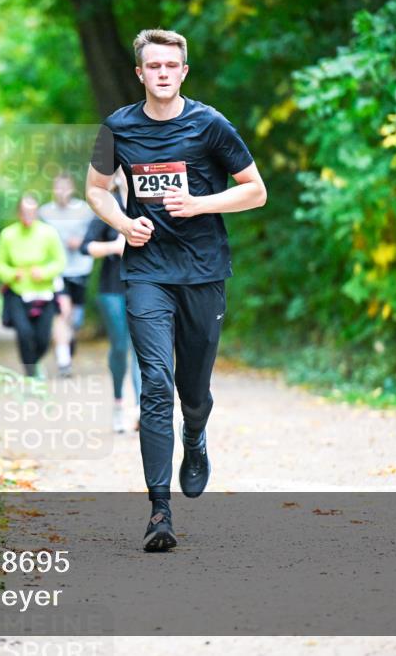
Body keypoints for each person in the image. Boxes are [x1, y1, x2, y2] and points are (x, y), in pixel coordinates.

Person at [85, 28, 267, 552]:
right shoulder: (116, 127)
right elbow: (96, 190)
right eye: (153, 66)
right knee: (156, 386)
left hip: (204, 271)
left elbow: (255, 191)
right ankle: (159, 511)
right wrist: (122, 223)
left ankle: (196, 436)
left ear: (183, 72)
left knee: (194, 390)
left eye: (171, 66)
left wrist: (201, 204)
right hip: (146, 272)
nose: (162, 73)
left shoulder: (210, 125)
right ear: (139, 73)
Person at [80, 170, 142, 433]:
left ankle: (142, 409)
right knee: (120, 346)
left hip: (144, 285)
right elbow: (86, 246)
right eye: (119, 170)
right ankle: (118, 403)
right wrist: (114, 248)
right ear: (115, 178)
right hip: (112, 288)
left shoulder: (148, 202)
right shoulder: (107, 205)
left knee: (142, 348)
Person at [0, 195, 67, 377]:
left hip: (44, 293)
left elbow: (59, 262)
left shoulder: (48, 233)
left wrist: (44, 272)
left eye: (32, 212)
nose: (28, 216)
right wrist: (11, 274)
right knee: (24, 334)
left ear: (37, 213)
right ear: (18, 213)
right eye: (24, 212)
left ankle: (35, 363)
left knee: (43, 338)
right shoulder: (8, 235)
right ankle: (31, 372)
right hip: (18, 292)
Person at [38, 173, 95, 377]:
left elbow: (95, 233)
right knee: (62, 312)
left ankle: (68, 342)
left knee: (75, 318)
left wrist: (81, 241)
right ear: (53, 190)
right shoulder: (44, 212)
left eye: (65, 188)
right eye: (58, 188)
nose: (61, 192)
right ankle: (64, 362)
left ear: (72, 189)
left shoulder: (85, 211)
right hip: (57, 271)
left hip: (81, 269)